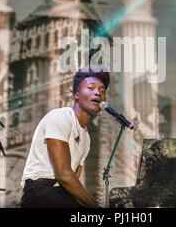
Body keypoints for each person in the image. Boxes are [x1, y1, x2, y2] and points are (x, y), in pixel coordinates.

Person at [20, 65, 110, 208]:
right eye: (91, 88)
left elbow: (74, 185)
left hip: (62, 193)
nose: (98, 93)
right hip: (41, 190)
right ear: (77, 94)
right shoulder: (61, 116)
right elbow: (63, 174)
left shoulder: (86, 138)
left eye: (102, 91)